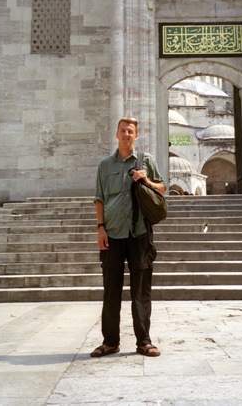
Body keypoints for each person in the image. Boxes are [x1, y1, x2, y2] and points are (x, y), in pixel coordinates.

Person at [91, 117, 166, 358]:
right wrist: (100, 228)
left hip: (139, 233)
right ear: (116, 134)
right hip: (112, 233)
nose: (126, 134)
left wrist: (146, 180)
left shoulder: (146, 161)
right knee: (110, 290)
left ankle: (144, 341)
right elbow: (99, 198)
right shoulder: (105, 165)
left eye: (130, 131)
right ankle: (110, 341)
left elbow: (163, 188)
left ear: (136, 135)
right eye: (122, 130)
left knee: (140, 291)